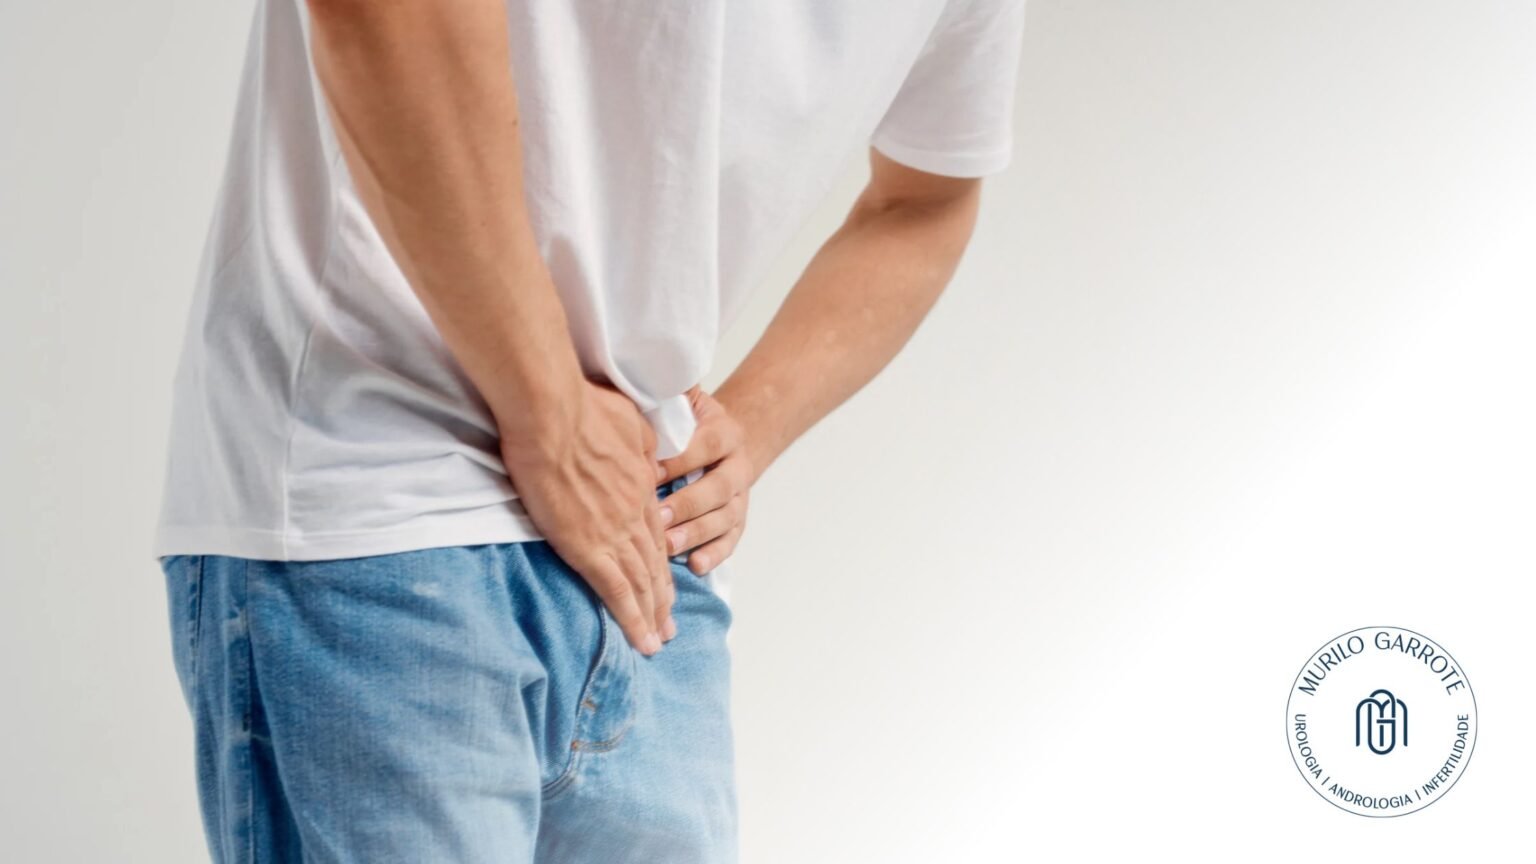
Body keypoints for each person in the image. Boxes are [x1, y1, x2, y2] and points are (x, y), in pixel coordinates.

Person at [153, 0, 1027, 860]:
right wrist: (548, 410)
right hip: (375, 496)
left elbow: (926, 199)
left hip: (645, 555)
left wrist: (747, 428)